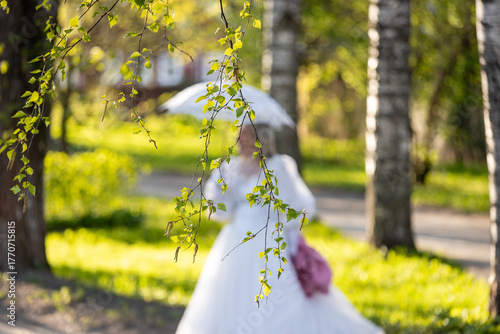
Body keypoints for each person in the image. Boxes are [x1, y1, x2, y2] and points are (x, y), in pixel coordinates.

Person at [175, 124, 384, 334]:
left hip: (271, 242)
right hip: (235, 241)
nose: (240, 142)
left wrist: (284, 225)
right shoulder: (230, 168)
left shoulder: (279, 166)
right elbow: (221, 212)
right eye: (239, 137)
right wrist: (222, 185)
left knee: (274, 294)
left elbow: (303, 208)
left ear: (261, 140)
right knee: (229, 292)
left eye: (247, 137)